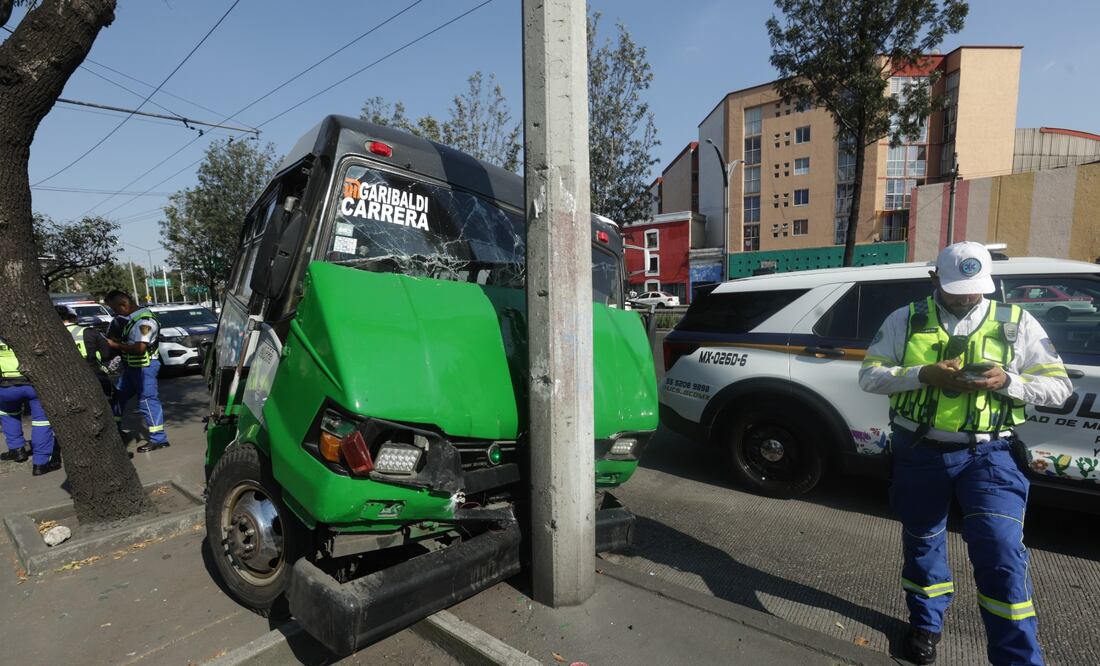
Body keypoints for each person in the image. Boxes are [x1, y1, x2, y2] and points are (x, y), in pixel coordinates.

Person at [859, 242, 1072, 665]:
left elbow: (1059, 387)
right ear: (934, 278)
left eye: (974, 288)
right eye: (955, 288)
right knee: (923, 541)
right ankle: (925, 624)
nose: (966, 297)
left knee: (1001, 551)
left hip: (991, 453)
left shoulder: (1017, 322)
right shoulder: (905, 319)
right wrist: (923, 374)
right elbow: (870, 376)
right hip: (919, 450)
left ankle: (1016, 658)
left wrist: (1008, 381)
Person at [104, 291, 170, 453]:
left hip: (144, 368)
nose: (115, 312)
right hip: (131, 367)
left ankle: (159, 439)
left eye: (115, 308)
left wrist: (115, 345)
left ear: (124, 305)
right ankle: (115, 431)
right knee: (118, 397)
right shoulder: (133, 320)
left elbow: (140, 348)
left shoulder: (144, 322)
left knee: (147, 401)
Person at [0, 337, 61, 475]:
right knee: (41, 422)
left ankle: (17, 450)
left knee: (7, 414)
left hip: (5, 386)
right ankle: (41, 463)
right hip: (34, 385)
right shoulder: (31, 332)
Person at [55, 305, 114, 397]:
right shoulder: (90, 332)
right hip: (93, 374)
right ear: (73, 318)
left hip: (63, 379)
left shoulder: (50, 337)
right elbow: (106, 354)